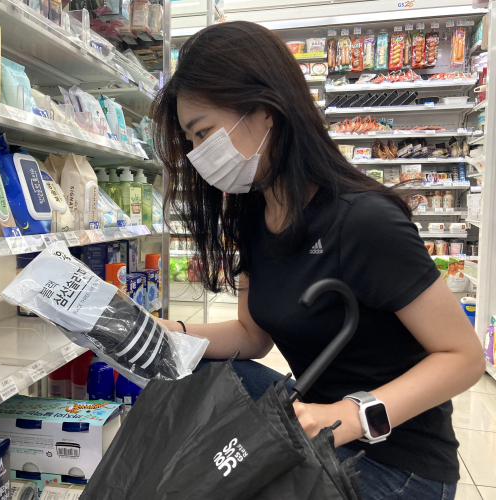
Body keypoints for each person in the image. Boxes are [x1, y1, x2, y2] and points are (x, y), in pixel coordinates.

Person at [153, 21, 484, 500]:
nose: (197, 154)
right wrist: (166, 333)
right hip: (322, 435)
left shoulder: (362, 221)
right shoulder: (255, 215)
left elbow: (464, 358)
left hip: (398, 465)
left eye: (203, 133)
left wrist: (349, 415)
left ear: (266, 110)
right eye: (190, 141)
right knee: (189, 374)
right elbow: (251, 335)